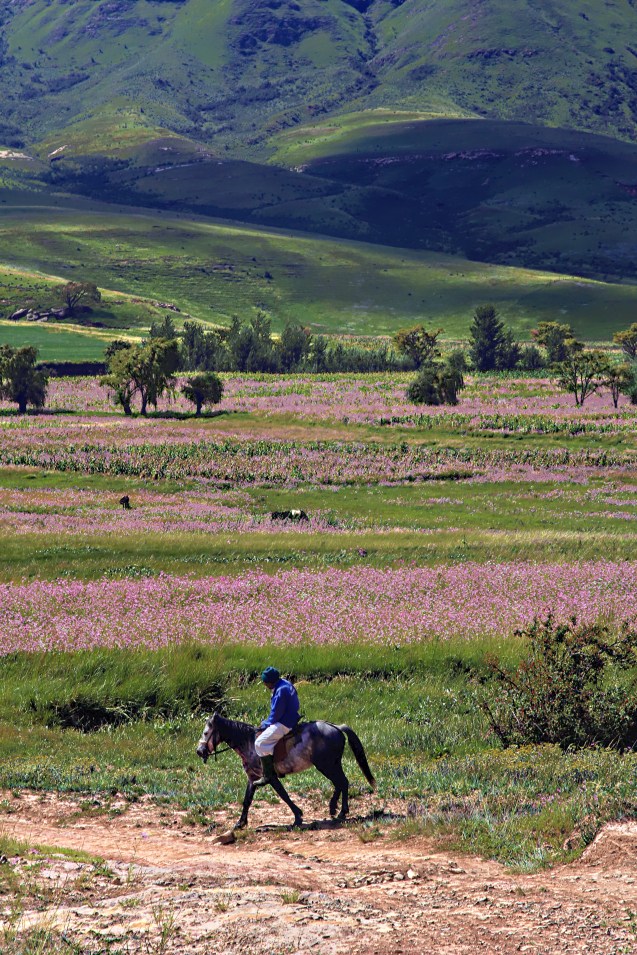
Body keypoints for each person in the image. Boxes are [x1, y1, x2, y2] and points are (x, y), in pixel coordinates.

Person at [253, 667, 300, 787]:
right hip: (292, 717)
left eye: (265, 682)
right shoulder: (285, 683)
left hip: (284, 723)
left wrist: (265, 724)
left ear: (270, 682)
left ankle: (268, 775)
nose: (264, 685)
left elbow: (276, 714)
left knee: (260, 743)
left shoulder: (280, 691)